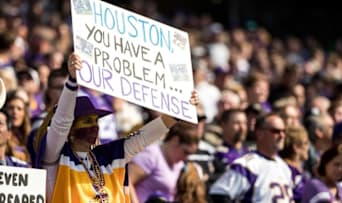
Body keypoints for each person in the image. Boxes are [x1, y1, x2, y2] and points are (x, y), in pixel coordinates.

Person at [31, 53, 199, 203]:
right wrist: (73, 81)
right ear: (71, 130)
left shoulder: (109, 156)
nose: (94, 126)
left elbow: (143, 138)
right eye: (86, 121)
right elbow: (61, 123)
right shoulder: (55, 156)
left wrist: (178, 111)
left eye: (95, 121)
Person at [209, 112, 293, 202]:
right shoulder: (247, 165)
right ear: (260, 133)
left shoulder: (284, 167)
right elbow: (218, 192)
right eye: (276, 131)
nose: (282, 135)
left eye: (284, 131)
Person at [129, 121, 200, 203]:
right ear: (175, 140)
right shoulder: (151, 155)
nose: (185, 158)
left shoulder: (178, 164)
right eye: (185, 152)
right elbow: (126, 181)